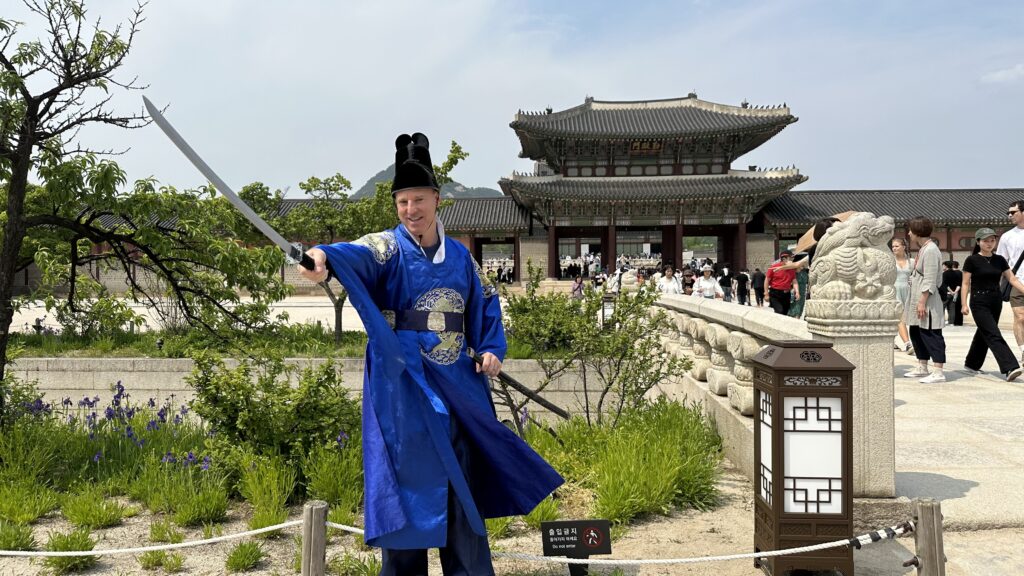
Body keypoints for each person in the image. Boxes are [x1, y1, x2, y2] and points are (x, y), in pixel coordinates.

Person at [298, 133, 562, 576]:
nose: (410, 211)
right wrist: (322, 255)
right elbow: (355, 254)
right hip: (404, 391)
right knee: (407, 495)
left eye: (418, 200)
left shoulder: (460, 257)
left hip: (459, 388)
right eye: (402, 202)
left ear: (436, 199)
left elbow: (487, 303)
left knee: (462, 495)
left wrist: (493, 349)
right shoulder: (388, 247)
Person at [961, 228, 1024, 381]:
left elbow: (1012, 279)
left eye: (992, 240)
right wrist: (964, 304)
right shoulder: (972, 260)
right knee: (993, 333)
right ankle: (1010, 367)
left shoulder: (1000, 260)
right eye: (985, 241)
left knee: (984, 332)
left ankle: (972, 363)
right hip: (978, 301)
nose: (989, 243)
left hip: (995, 301)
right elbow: (965, 283)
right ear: (978, 242)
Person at [903, 216, 947, 383]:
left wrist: (922, 301)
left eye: (911, 230)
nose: (909, 233)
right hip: (916, 295)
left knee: (931, 332)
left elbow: (930, 278)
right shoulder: (924, 248)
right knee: (916, 331)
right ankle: (922, 365)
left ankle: (938, 370)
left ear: (917, 232)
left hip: (926, 298)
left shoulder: (930, 250)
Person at [997, 200, 1024, 361]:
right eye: (1008, 213)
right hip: (1017, 281)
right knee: (1020, 316)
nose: (1009, 215)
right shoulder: (1007, 237)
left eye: (1013, 212)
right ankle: (1023, 350)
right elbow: (1001, 262)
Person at [891, 237, 915, 354]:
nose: (894, 248)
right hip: (894, 291)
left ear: (904, 247)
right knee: (900, 318)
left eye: (896, 246)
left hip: (908, 291)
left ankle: (891, 341)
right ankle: (907, 343)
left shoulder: (912, 261)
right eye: (893, 246)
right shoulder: (889, 261)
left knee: (904, 318)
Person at [765, 250, 799, 315]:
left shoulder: (792, 269)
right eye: (791, 258)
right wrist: (766, 293)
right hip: (775, 294)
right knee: (779, 311)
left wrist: (797, 292)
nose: (792, 259)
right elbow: (766, 280)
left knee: (785, 313)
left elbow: (794, 281)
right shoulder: (774, 267)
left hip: (786, 294)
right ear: (784, 258)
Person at [942, 261, 963, 326]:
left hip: (947, 293)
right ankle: (951, 322)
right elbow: (959, 284)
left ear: (946, 266)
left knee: (942, 307)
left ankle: (941, 321)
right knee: (952, 308)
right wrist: (954, 292)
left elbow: (945, 284)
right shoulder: (956, 273)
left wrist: (951, 291)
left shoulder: (944, 274)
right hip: (955, 294)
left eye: (943, 265)